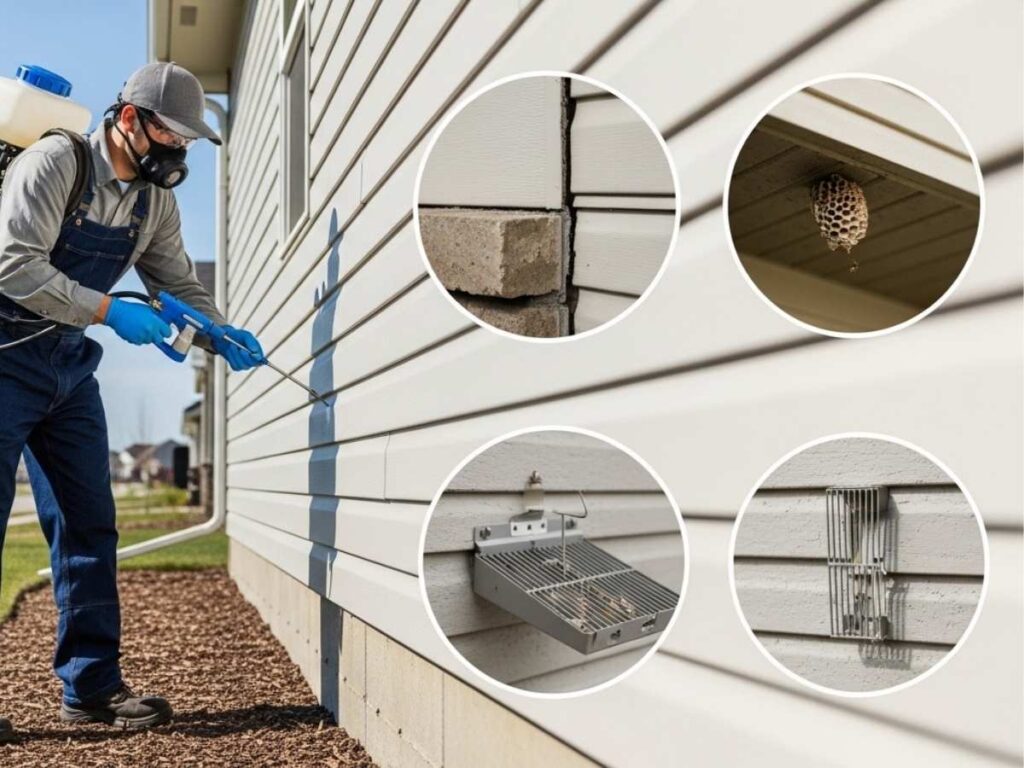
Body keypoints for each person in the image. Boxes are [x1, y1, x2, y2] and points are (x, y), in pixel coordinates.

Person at [0, 61, 262, 739]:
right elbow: (13, 265)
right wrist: (109, 310)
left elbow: (179, 283)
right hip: (3, 364)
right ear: (129, 119)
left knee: (90, 525)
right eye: (171, 134)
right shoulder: (55, 164)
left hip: (66, 373)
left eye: (188, 141)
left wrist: (218, 332)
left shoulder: (153, 204)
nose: (179, 150)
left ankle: (91, 688)